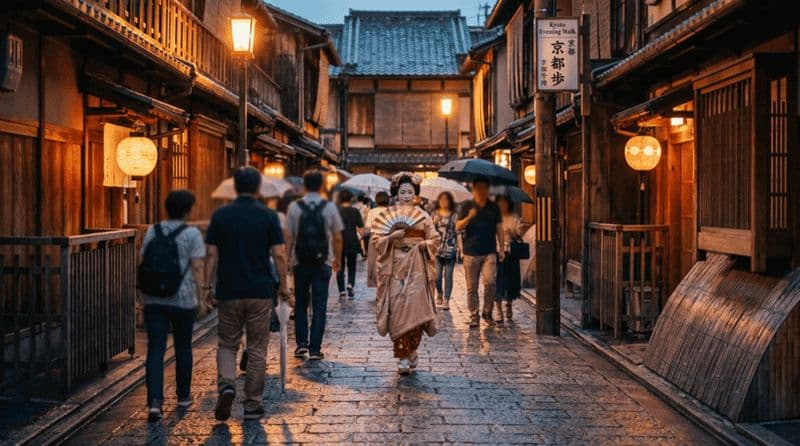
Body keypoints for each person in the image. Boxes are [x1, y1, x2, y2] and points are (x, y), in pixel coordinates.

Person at [204, 167, 290, 421]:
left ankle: (227, 384)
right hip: (259, 290)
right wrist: (284, 285)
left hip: (229, 289)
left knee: (228, 343)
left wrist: (206, 287)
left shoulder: (220, 215)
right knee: (257, 347)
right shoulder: (268, 216)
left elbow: (211, 254)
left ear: (235, 187)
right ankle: (253, 403)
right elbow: (279, 254)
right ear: (257, 188)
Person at [140, 190, 205, 422]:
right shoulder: (192, 234)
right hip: (183, 297)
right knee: (183, 346)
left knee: (155, 348)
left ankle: (155, 402)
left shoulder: (152, 230)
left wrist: (141, 297)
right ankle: (183, 396)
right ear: (188, 210)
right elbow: (197, 267)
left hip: (154, 298)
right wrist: (202, 297)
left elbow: (143, 262)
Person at [371, 173, 440, 375]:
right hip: (395, 268)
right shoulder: (387, 215)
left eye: (410, 191)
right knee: (398, 311)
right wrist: (392, 236)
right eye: (402, 192)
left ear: (416, 193)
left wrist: (423, 245)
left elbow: (434, 240)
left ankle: (412, 349)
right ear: (396, 193)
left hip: (418, 266)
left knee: (417, 311)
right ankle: (401, 355)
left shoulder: (424, 216)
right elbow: (377, 241)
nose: (407, 195)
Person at [287, 170, 344, 360]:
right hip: (323, 262)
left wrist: (288, 259)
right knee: (320, 307)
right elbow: (337, 236)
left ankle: (301, 344)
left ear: (304, 185)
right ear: (321, 186)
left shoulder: (295, 207)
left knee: (301, 304)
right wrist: (337, 258)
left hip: (300, 262)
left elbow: (289, 236)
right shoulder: (329, 207)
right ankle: (314, 349)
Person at [456, 176, 505, 328]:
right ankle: (474, 315)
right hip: (470, 251)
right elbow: (458, 227)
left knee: (490, 282)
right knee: (472, 287)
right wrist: (469, 217)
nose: (482, 191)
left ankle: (487, 312)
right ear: (474, 189)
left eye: (485, 188)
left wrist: (501, 248)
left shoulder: (493, 207)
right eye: (479, 188)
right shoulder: (466, 205)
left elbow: (499, 228)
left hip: (489, 251)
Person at [495, 195, 527, 322]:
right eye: (500, 203)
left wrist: (515, 232)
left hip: (511, 253)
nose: (502, 205)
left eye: (504, 202)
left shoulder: (514, 218)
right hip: (497, 252)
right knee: (497, 281)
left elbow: (519, 236)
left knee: (510, 282)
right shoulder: (494, 218)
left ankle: (508, 306)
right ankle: (498, 310)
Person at [431, 191, 458, 310]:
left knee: (448, 276)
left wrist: (460, 249)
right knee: (437, 277)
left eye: (446, 200)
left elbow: (458, 233)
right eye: (442, 199)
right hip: (437, 250)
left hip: (450, 249)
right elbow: (429, 230)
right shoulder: (434, 214)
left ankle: (446, 299)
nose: (444, 202)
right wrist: (434, 222)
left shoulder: (454, 215)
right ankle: (440, 293)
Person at [336, 189, 364, 299]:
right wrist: (361, 237)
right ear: (351, 199)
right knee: (352, 266)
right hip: (352, 240)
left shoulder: (336, 211)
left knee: (339, 265)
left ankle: (341, 290)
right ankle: (350, 284)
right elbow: (361, 229)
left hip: (339, 242)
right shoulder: (355, 211)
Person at [364, 191, 390, 268]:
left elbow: (368, 226)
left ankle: (374, 279)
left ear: (376, 200)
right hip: (388, 237)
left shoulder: (372, 211)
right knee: (386, 262)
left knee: (373, 262)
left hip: (374, 237)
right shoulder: (390, 210)